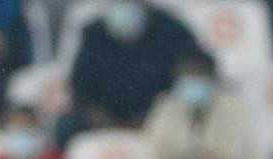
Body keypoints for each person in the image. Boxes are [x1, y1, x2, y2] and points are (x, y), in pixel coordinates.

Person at [57, 0, 206, 146]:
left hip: (158, 115)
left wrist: (152, 118)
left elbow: (191, 72)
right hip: (102, 119)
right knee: (65, 126)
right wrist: (102, 121)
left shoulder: (172, 30)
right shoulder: (93, 32)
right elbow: (80, 86)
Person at [144, 51, 262, 159]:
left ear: (212, 79)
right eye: (187, 76)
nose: (192, 81)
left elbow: (236, 157)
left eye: (198, 75)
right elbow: (153, 153)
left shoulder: (233, 107)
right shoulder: (166, 106)